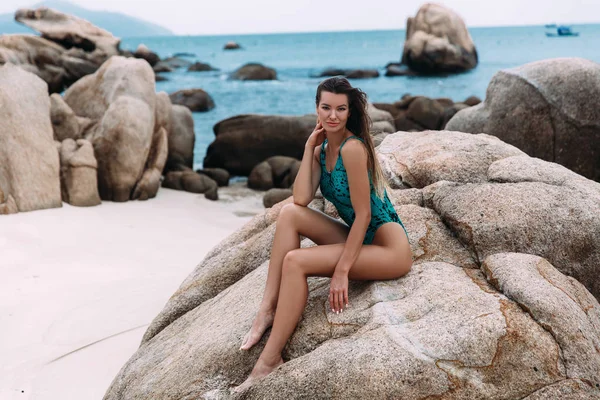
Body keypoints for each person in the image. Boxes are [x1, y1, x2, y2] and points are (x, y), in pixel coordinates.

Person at [234, 76, 412, 392]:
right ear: (317, 109)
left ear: (349, 112)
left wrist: (341, 272)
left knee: (296, 261)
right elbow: (301, 199)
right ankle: (268, 308)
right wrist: (308, 149)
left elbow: (364, 216)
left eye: (340, 109)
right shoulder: (323, 149)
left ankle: (269, 360)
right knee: (289, 213)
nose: (332, 116)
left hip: (388, 248)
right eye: (326, 107)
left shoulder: (353, 149)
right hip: (362, 241)